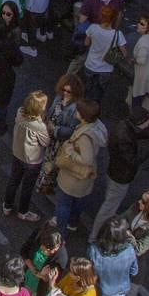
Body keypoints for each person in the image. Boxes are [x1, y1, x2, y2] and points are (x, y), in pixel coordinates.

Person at [89, 104, 149, 242]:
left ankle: (98, 231)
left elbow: (132, 134)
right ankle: (94, 237)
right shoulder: (125, 137)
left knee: (110, 201)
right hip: (120, 176)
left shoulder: (123, 125)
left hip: (114, 171)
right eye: (147, 122)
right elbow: (132, 160)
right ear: (140, 122)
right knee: (108, 207)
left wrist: (148, 134)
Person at [54, 98, 106, 238]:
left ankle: (60, 234)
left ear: (83, 116)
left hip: (72, 177)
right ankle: (73, 223)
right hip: (85, 179)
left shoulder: (84, 137)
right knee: (79, 202)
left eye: (78, 110)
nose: (76, 111)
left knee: (63, 204)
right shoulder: (97, 128)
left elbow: (86, 160)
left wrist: (72, 153)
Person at [3, 90, 51, 222]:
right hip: (32, 160)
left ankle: (7, 206)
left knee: (13, 180)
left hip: (17, 153)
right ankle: (23, 211)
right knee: (27, 186)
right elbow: (46, 141)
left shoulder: (20, 113)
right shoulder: (39, 126)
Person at [88, 217, 139, 296]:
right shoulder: (130, 250)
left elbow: (87, 272)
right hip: (120, 292)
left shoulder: (94, 250)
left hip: (99, 292)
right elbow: (134, 271)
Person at [82, 5, 127, 102]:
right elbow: (124, 53)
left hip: (90, 65)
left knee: (86, 92)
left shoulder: (93, 28)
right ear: (113, 19)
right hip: (105, 69)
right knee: (98, 96)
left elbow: (86, 43)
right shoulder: (118, 34)